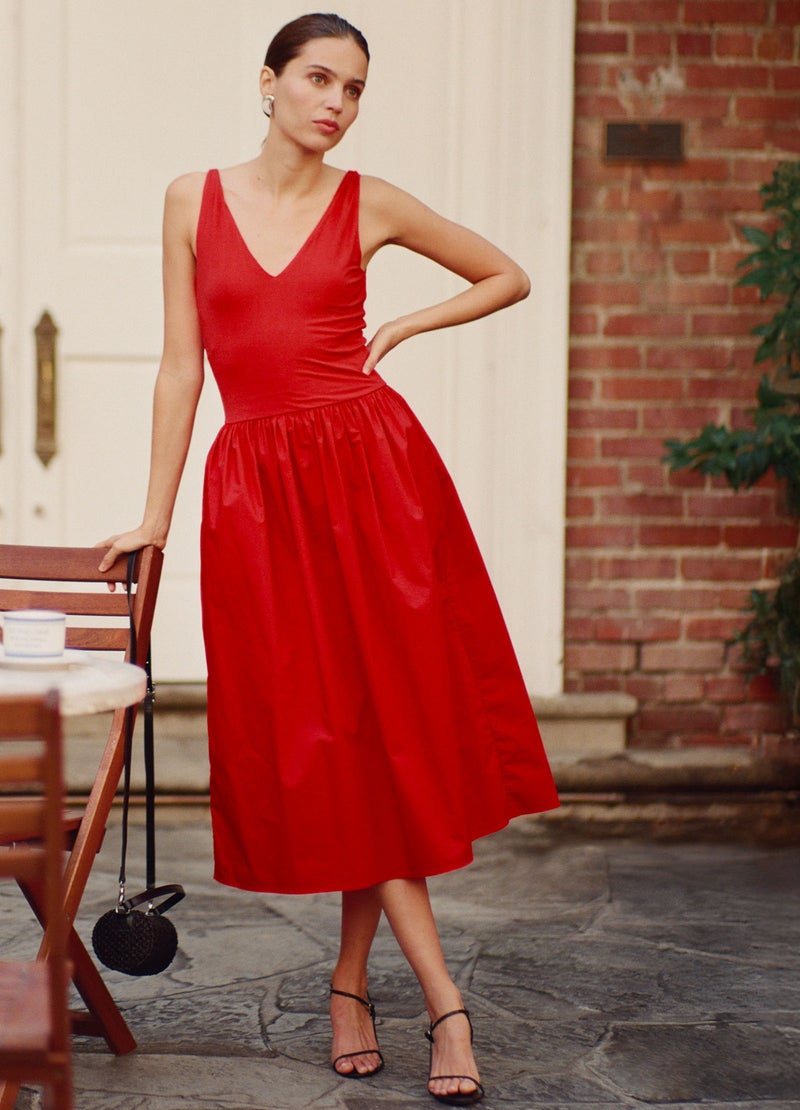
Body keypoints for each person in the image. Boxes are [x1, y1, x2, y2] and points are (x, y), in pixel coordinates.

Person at [99, 12, 559, 1106]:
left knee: (381, 738)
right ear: (268, 83)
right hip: (258, 501)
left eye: (353, 89)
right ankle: (353, 983)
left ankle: (439, 1001)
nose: (335, 104)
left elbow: (508, 275)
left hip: (373, 485)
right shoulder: (188, 200)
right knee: (335, 740)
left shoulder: (371, 203)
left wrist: (401, 333)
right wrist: (154, 517)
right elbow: (181, 373)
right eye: (317, 79)